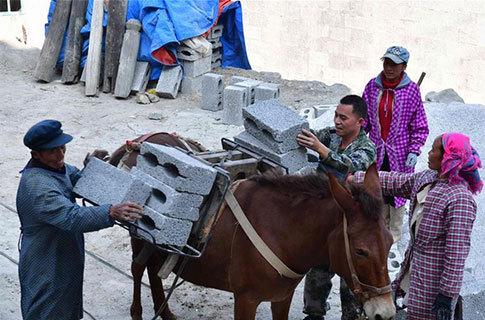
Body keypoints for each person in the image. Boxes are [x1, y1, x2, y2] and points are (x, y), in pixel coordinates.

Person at [16, 119, 144, 320]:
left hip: (65, 250)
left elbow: (78, 180)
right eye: (52, 151)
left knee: (67, 302)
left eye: (62, 147)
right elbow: (71, 217)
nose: (60, 155)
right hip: (45, 255)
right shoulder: (38, 186)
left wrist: (91, 168)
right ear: (35, 154)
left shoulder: (56, 167)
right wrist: (110, 212)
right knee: (46, 306)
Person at [350, 132, 482, 320]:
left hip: (433, 287)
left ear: (447, 158)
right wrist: (358, 179)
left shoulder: (459, 199)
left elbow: (456, 255)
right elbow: (396, 181)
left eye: (434, 150)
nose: (428, 153)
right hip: (411, 274)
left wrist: (446, 295)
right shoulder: (427, 179)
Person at [297, 95, 377, 320]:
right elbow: (307, 136)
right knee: (318, 269)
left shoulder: (367, 147)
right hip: (324, 216)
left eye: (343, 117)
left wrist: (320, 149)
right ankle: (314, 313)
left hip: (351, 220)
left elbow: (350, 165)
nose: (337, 121)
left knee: (350, 276)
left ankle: (351, 316)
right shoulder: (330, 136)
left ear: (360, 122)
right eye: (335, 116)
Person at [362, 45, 429, 242]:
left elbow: (419, 124)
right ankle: (379, 229)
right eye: (387, 63)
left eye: (394, 64)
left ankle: (395, 234)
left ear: (404, 67)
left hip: (400, 152)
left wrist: (414, 149)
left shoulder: (411, 91)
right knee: (377, 187)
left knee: (398, 192)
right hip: (376, 148)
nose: (389, 68)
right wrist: (357, 138)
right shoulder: (372, 87)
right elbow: (363, 118)